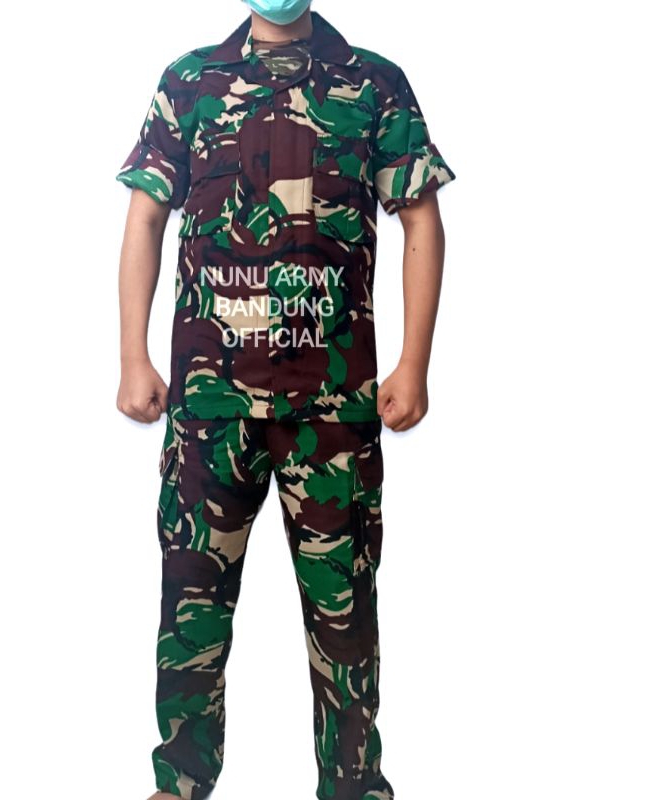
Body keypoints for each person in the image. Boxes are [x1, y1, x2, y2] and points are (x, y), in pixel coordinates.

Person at [115, 1, 455, 797]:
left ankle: (354, 785)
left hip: (333, 410)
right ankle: (181, 781)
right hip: (211, 408)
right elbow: (145, 218)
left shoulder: (372, 83)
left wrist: (414, 364)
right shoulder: (190, 82)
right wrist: (132, 356)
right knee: (192, 607)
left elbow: (422, 221)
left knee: (346, 619)